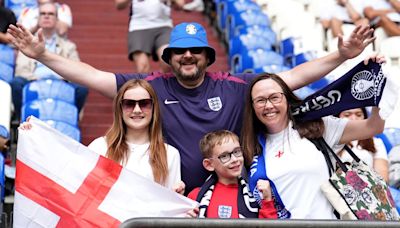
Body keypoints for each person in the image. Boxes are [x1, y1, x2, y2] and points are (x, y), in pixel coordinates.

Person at [7, 21, 376, 194]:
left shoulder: (234, 85)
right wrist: (42, 55)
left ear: (206, 56)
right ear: (168, 57)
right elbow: (90, 75)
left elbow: (292, 77)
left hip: (233, 198)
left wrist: (341, 55)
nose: (187, 56)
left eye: (195, 50)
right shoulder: (149, 88)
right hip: (174, 199)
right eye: (179, 51)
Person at [241, 70, 386, 219]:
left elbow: (373, 126)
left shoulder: (318, 127)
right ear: (252, 106)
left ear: (286, 98)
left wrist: (378, 79)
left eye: (275, 97)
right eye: (260, 100)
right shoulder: (251, 145)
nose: (269, 105)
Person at [88, 79, 184, 193]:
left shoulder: (170, 154)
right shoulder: (99, 147)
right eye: (129, 104)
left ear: (154, 108)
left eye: (144, 104)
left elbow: (169, 203)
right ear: (120, 109)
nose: (137, 110)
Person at [10, 2, 87, 121]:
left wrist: (63, 79)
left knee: (82, 88)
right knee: (16, 83)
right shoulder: (27, 44)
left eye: (51, 14)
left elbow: (77, 70)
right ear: (38, 19)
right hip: (33, 81)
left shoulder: (69, 46)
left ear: (57, 20)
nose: (46, 16)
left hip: (61, 83)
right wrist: (35, 79)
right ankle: (21, 117)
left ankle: (71, 119)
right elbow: (21, 71)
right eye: (43, 14)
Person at [187, 130, 277, 218]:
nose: (234, 159)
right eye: (225, 156)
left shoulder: (255, 193)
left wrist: (267, 200)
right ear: (209, 164)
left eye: (237, 151)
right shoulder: (196, 196)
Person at [114, 0, 184, 73]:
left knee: (167, 63)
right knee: (142, 67)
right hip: (138, 27)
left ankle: (163, 83)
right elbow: (119, 4)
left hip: (164, 26)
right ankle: (146, 84)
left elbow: (180, 5)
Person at [336, 107, 389, 182]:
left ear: (365, 117)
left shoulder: (376, 142)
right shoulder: (330, 141)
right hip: (334, 190)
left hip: (367, 190)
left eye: (358, 115)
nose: (353, 118)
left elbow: (382, 175)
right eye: (347, 115)